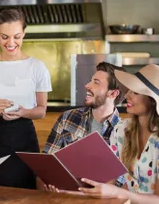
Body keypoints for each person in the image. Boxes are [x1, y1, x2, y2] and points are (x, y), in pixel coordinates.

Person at [0, 8, 52, 189]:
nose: (11, 42)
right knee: (0, 194)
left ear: (24, 33)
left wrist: (24, 112)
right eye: (4, 36)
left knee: (28, 192)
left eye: (16, 36)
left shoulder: (37, 67)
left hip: (25, 140)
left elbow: (41, 111)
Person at [78, 64, 159, 204]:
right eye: (129, 91)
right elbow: (111, 182)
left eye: (136, 92)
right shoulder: (121, 130)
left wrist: (119, 192)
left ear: (152, 101)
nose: (127, 95)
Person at [39, 62, 126, 191]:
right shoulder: (67, 118)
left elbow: (120, 186)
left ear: (113, 94)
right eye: (90, 80)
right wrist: (47, 188)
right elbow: (44, 167)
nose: (87, 86)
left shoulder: (125, 132)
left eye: (96, 82)